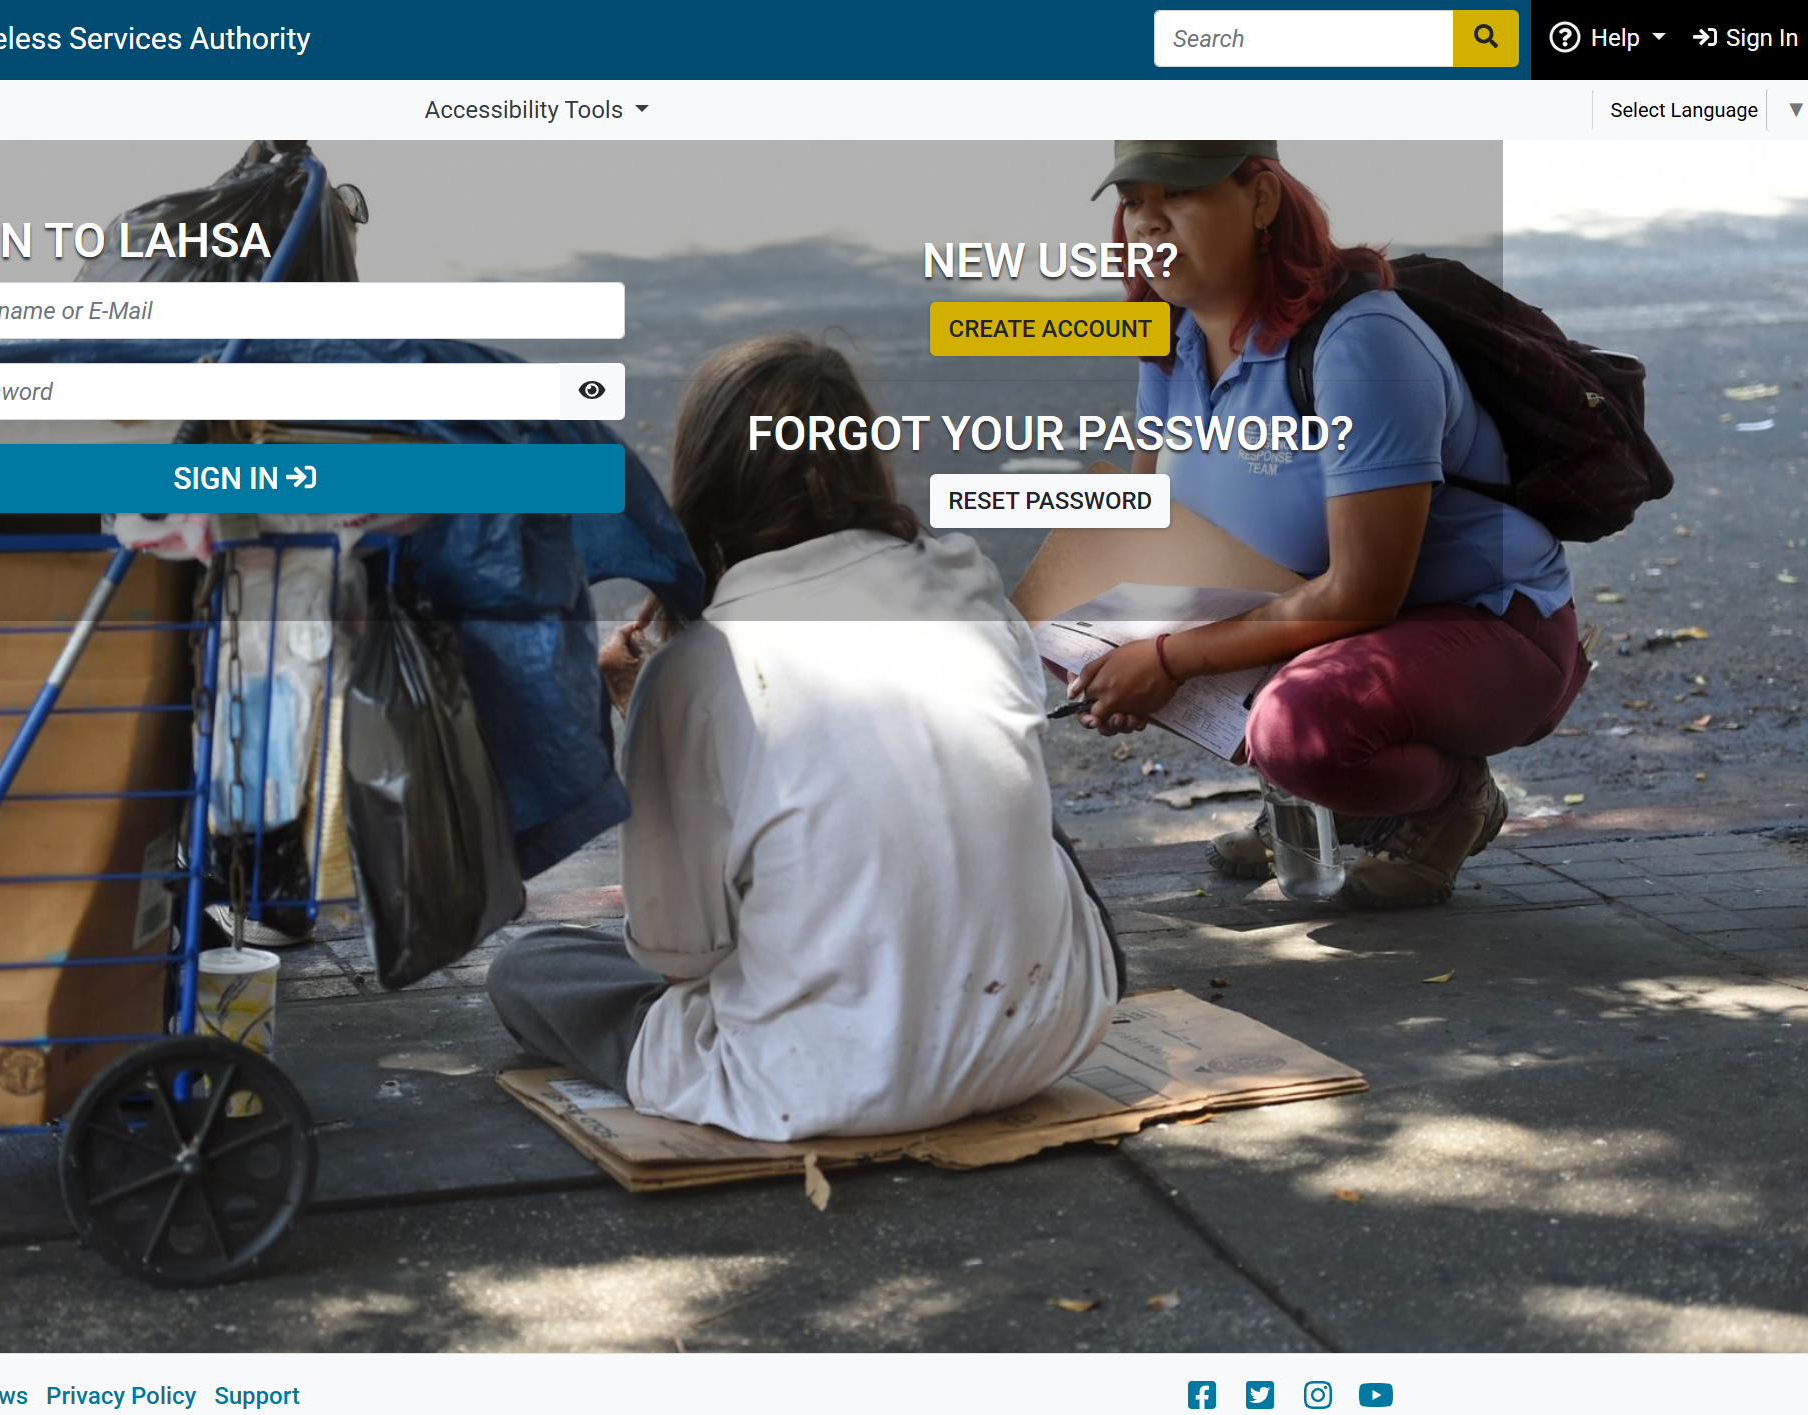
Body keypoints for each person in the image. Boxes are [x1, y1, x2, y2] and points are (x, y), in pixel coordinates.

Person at [486, 334, 1123, 1143]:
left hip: (816, 1080)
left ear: (707, 486)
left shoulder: (692, 669)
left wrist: (650, 708)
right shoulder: (965, 577)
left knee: (531, 970)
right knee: (985, 792)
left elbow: (675, 955)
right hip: (1041, 1036)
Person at [1069, 141, 1588, 908]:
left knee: (1297, 730)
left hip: (1487, 631)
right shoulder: (1169, 334)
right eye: (1133, 201)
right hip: (1323, 625)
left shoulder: (1358, 344)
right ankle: (1315, 795)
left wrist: (1171, 659)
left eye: (1177, 195)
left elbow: (1360, 595)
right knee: (1079, 644)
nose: (1148, 222)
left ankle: (1444, 798)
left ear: (1261, 200)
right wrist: (1100, 637)